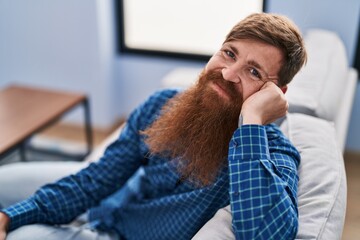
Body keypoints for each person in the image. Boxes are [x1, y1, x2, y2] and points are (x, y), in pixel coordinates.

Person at [0, 12, 307, 240]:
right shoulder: (164, 103)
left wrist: (251, 121)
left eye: (253, 72)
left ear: (275, 94)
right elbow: (96, 180)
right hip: (109, 204)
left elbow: (269, 234)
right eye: (229, 53)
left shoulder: (272, 152)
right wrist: (9, 217)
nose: (228, 74)